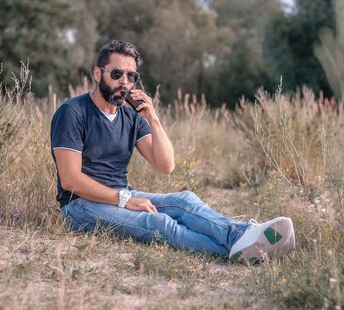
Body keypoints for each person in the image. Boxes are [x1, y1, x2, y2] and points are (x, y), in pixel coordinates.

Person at [51, 40, 295, 263]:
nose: (124, 82)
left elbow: (165, 165)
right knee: (160, 223)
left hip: (120, 194)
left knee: (184, 201)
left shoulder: (131, 115)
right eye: (117, 74)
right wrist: (125, 200)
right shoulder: (73, 112)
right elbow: (71, 180)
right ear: (98, 73)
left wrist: (153, 118)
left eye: (131, 76)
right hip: (80, 207)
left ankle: (242, 235)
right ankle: (245, 252)